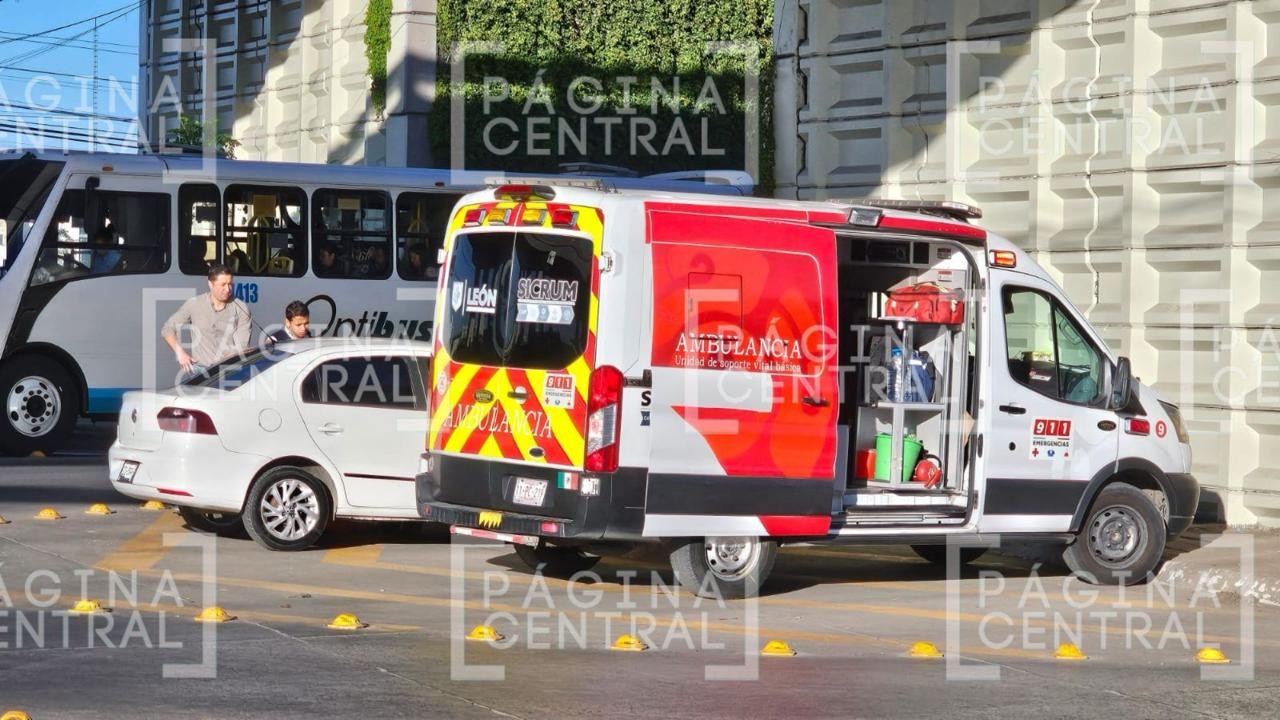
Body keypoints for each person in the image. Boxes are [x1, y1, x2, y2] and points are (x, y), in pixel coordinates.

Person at [161, 264, 252, 379]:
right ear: (210, 284)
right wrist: (180, 353)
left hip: (228, 371)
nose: (228, 289)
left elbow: (242, 346)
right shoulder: (194, 304)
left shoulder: (241, 308)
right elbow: (167, 329)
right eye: (223, 285)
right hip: (199, 371)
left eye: (230, 284)